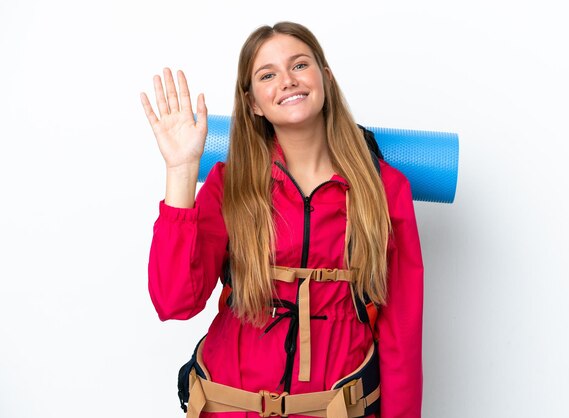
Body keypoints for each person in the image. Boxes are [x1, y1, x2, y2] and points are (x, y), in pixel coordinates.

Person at [140, 21, 424, 417]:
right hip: (227, 406)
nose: (287, 81)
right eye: (267, 74)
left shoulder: (385, 188)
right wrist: (182, 169)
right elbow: (174, 302)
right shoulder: (229, 183)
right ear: (254, 102)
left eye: (300, 65)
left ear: (325, 78)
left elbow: (402, 333)